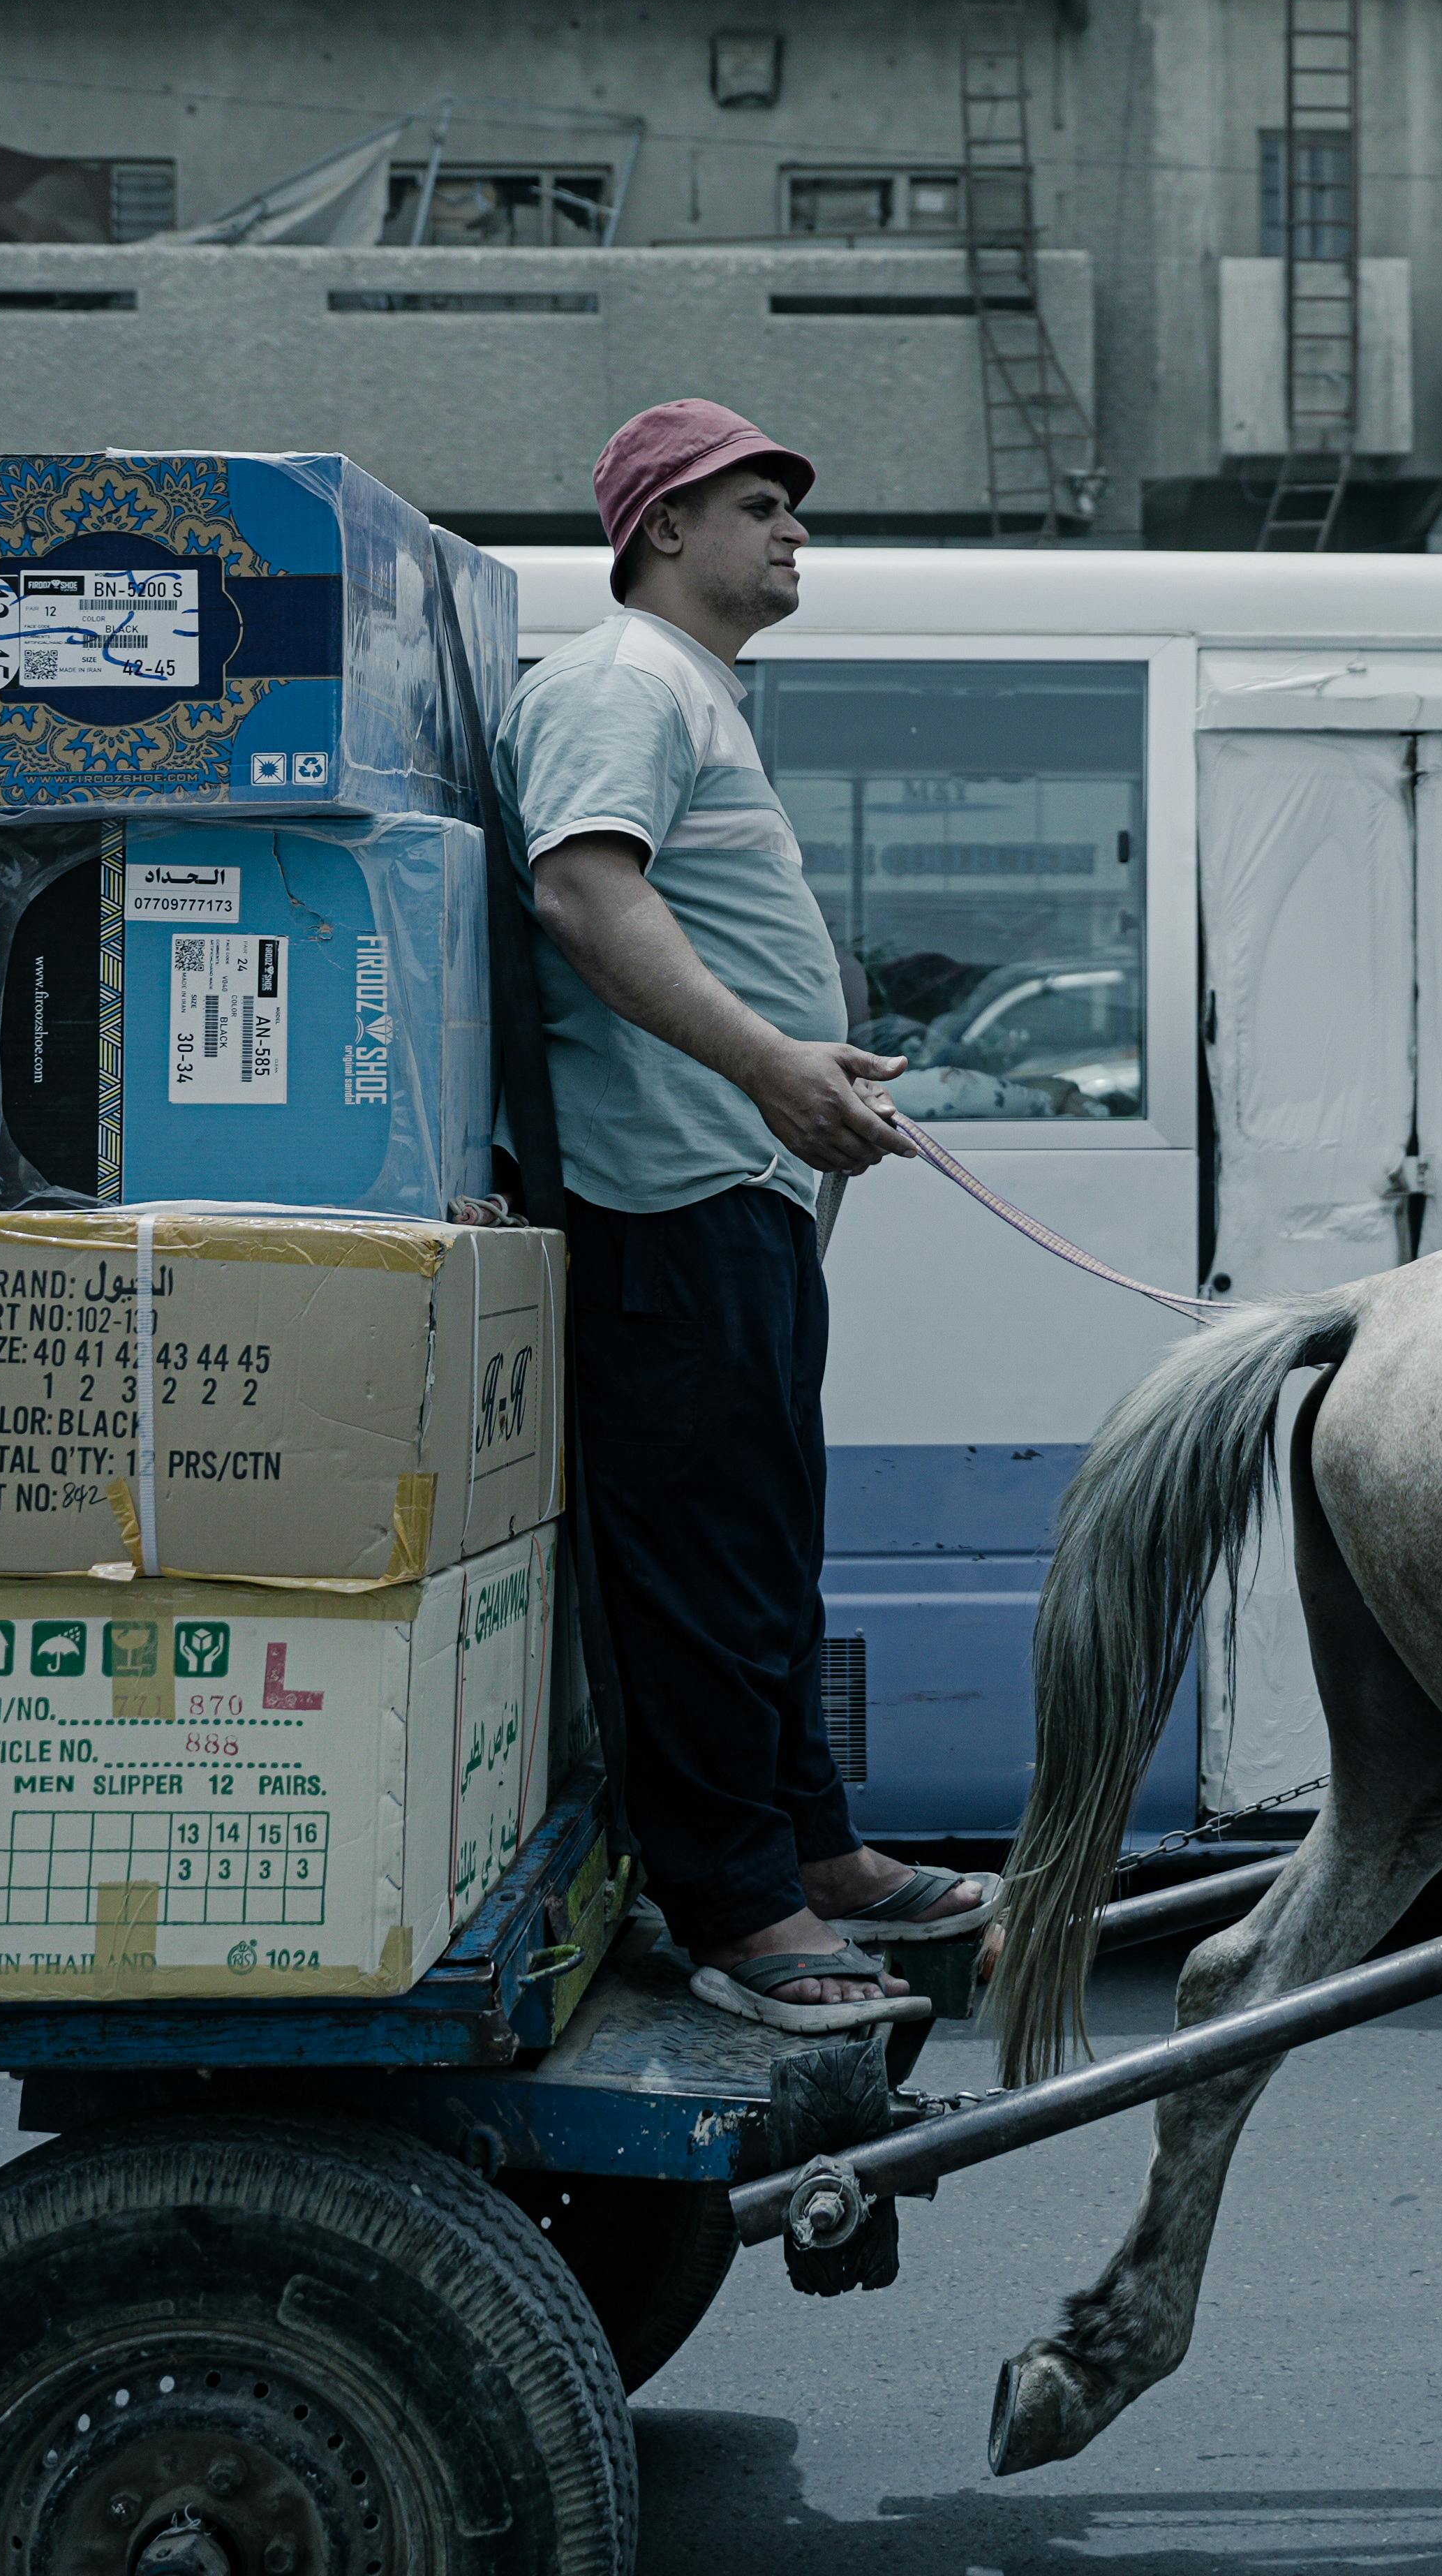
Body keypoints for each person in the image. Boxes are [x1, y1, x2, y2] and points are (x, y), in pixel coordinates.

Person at [500, 399, 995, 2034]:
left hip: (737, 1183)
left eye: (794, 504)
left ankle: (817, 1849)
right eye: (759, 505)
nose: (794, 532)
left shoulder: (690, 697)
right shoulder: (621, 679)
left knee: (766, 1547)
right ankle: (735, 1905)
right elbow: (585, 892)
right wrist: (775, 1060)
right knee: (705, 1562)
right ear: (660, 532)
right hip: (665, 1194)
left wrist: (796, 1065)